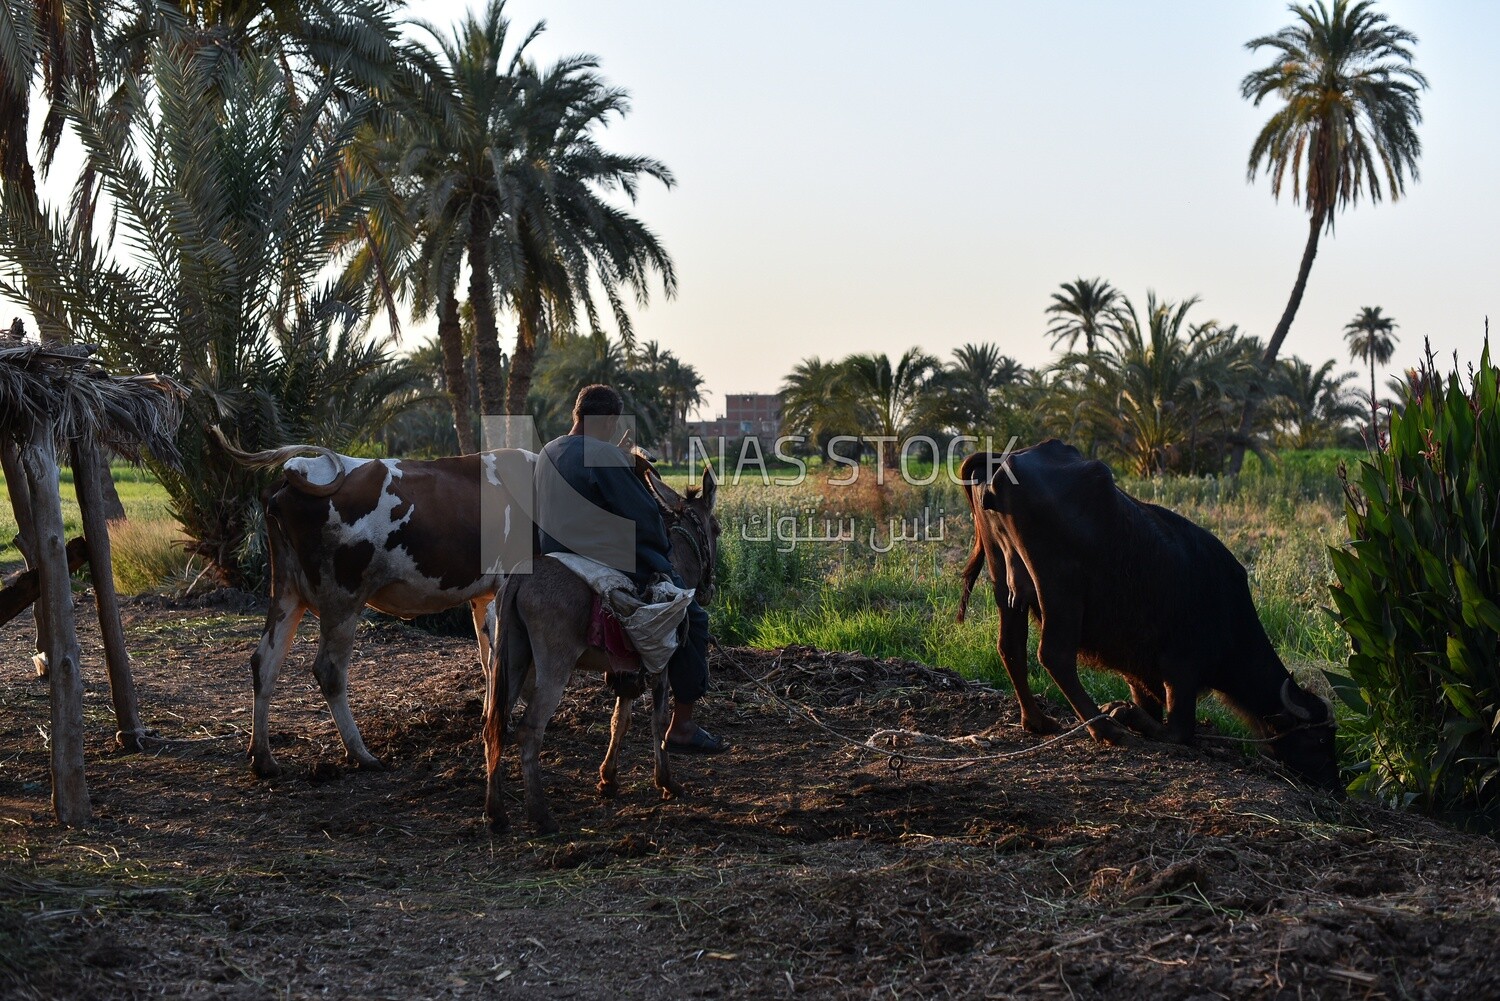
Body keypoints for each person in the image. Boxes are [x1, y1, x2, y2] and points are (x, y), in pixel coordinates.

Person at [534, 384, 727, 754]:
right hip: (599, 559)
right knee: (693, 617)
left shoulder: (547, 451)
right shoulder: (604, 454)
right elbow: (645, 519)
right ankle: (682, 726)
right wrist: (661, 552)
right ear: (607, 421)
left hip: (552, 554)